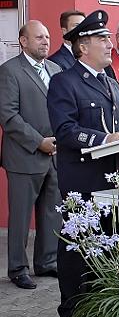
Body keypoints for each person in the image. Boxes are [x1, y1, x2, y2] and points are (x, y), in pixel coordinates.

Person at [47, 10, 119, 317]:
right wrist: (105, 138)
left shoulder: (111, 83)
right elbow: (65, 130)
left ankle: (105, 302)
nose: (109, 43)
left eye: (107, 37)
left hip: (115, 179)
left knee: (112, 242)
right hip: (83, 179)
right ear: (82, 45)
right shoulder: (64, 82)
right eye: (102, 38)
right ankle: (73, 310)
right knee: (78, 247)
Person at [0, 21, 62, 290]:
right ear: (23, 41)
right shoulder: (10, 71)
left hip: (56, 153)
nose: (45, 42)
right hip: (25, 155)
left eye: (47, 37)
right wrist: (39, 142)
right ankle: (17, 268)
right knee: (21, 216)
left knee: (51, 212)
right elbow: (8, 116)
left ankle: (47, 262)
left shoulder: (55, 69)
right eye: (39, 37)